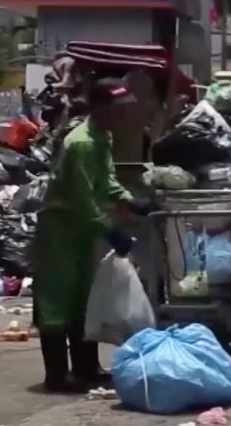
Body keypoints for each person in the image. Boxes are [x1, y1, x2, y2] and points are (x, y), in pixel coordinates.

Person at [32, 78, 153, 392]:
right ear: (99, 108)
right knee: (58, 300)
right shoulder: (81, 143)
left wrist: (128, 200)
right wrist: (110, 230)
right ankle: (57, 376)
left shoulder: (102, 137)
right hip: (60, 228)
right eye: (117, 109)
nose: (123, 115)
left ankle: (86, 368)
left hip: (83, 227)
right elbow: (81, 198)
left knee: (83, 297)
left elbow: (106, 181)